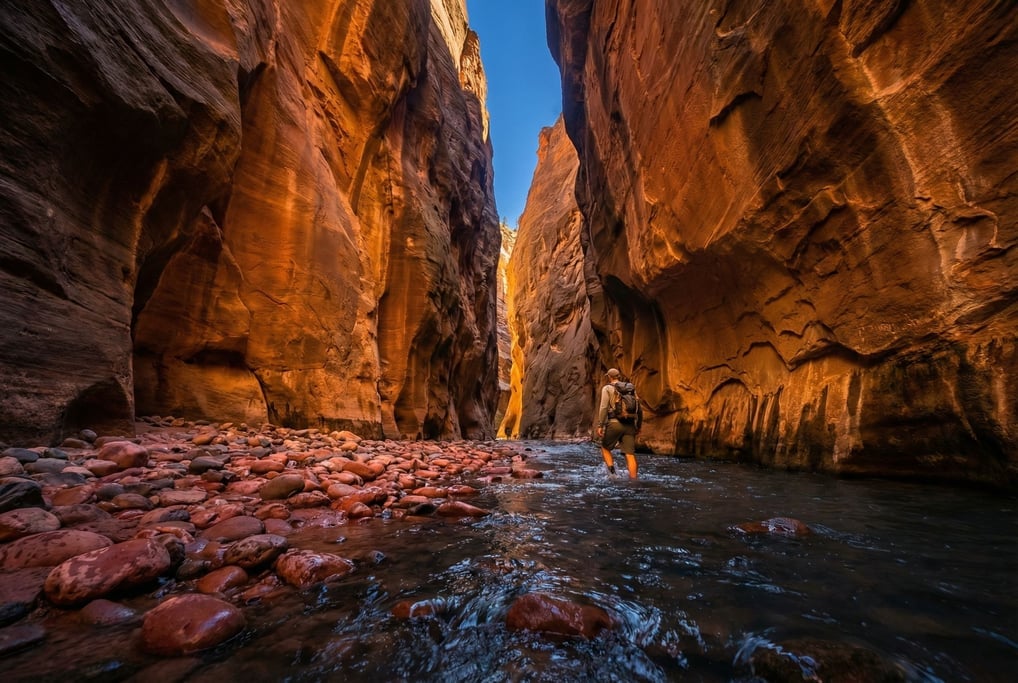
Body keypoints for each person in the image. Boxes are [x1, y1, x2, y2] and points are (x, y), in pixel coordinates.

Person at [595, 368, 641, 478]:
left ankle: (613, 474)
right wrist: (638, 426)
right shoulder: (630, 388)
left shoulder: (607, 388)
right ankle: (634, 481)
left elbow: (604, 407)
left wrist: (600, 425)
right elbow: (639, 408)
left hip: (614, 423)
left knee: (605, 447)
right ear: (618, 376)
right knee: (630, 454)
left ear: (609, 377)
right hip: (630, 424)